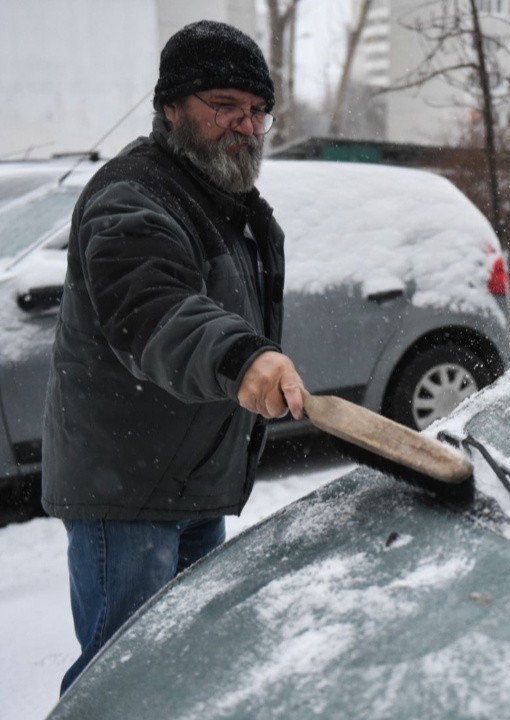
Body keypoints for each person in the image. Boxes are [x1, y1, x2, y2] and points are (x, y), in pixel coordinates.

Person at [40, 20, 306, 694]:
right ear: (170, 107)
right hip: (126, 489)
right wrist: (244, 359)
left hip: (188, 480)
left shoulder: (224, 202)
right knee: (120, 679)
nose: (245, 126)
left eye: (256, 112)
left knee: (183, 668)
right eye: (224, 106)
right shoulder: (133, 196)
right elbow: (153, 310)